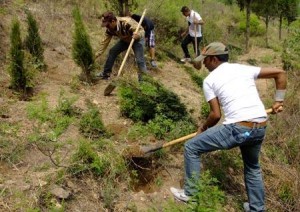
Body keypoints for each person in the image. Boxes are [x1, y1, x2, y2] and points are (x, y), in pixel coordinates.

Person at [170, 42, 287, 211]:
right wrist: (278, 100)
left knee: (191, 147)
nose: (203, 63)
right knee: (252, 167)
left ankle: (190, 195)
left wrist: (202, 129)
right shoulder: (243, 69)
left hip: (238, 128)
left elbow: (215, 115)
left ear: (214, 59)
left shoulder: (209, 80)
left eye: (205, 60)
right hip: (259, 125)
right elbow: (280, 73)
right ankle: (257, 208)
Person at [95, 11, 147, 81]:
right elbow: (104, 43)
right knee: (113, 51)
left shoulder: (127, 22)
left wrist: (138, 35)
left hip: (137, 40)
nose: (107, 27)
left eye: (107, 25)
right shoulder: (110, 29)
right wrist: (96, 55)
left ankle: (144, 81)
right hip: (125, 39)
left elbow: (142, 31)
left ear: (113, 21)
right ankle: (106, 74)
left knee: (139, 60)